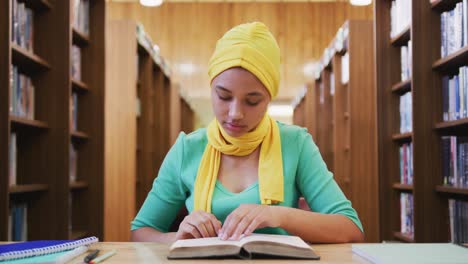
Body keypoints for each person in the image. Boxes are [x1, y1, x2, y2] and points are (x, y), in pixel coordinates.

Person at [131, 21, 364, 243]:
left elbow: (351, 228)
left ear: (269, 99)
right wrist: (177, 237)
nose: (235, 114)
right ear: (211, 87)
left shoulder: (295, 143)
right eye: (223, 96)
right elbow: (140, 232)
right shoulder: (187, 149)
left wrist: (277, 215)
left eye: (252, 101)